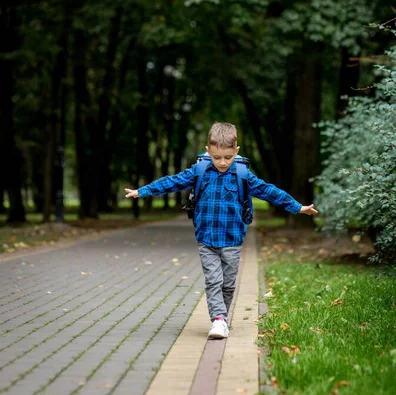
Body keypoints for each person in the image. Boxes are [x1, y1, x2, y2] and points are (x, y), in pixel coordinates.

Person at [125, 122, 318, 340]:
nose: (222, 162)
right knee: (213, 280)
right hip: (206, 238)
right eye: (217, 157)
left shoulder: (242, 174)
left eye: (228, 157)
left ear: (236, 151)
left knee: (228, 283)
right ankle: (218, 320)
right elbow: (172, 182)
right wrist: (142, 191)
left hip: (233, 239)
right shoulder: (200, 171)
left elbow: (268, 191)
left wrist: (298, 207)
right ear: (208, 151)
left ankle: (222, 318)